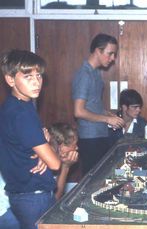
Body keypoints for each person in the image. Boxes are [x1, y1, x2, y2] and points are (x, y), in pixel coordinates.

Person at [0, 49, 61, 229]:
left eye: (39, 76)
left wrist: (41, 151)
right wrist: (48, 146)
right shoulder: (22, 114)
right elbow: (56, 164)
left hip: (21, 193)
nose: (36, 82)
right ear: (10, 79)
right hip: (32, 197)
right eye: (28, 77)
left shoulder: (13, 106)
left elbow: (20, 145)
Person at [72, 33, 124, 176]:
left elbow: (92, 105)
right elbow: (79, 111)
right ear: (97, 51)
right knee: (92, 180)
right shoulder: (84, 75)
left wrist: (108, 114)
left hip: (99, 134)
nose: (113, 58)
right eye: (110, 53)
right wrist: (107, 119)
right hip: (90, 137)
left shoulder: (95, 73)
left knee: (101, 178)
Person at [48, 123, 79, 200]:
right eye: (74, 144)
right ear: (62, 148)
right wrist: (66, 167)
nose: (77, 148)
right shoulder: (45, 164)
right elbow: (55, 199)